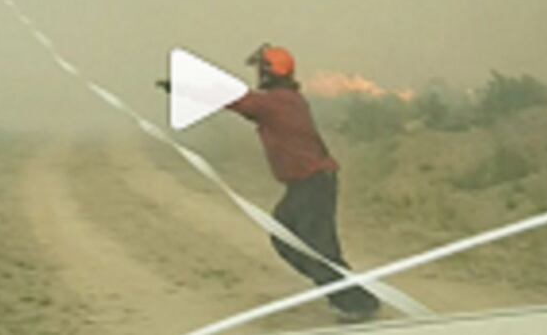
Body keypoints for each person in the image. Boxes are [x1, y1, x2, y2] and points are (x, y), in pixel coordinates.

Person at [156, 44, 380, 322]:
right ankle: (352, 297)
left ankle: (356, 304)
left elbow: (235, 100)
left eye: (260, 68)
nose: (257, 74)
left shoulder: (277, 102)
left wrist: (184, 88)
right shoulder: (284, 100)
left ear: (270, 71)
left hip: (313, 184)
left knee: (318, 249)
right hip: (306, 185)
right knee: (286, 239)